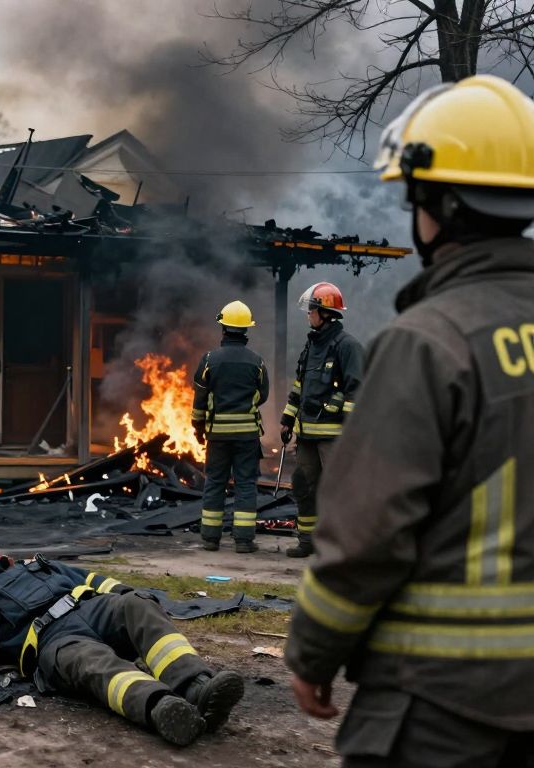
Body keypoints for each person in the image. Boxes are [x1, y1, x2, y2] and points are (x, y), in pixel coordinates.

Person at [285, 74, 534, 766]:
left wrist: (313, 651)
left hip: (444, 703)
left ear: (440, 205)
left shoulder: (430, 341)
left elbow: (368, 532)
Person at [0, 529, 245, 747]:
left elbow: (90, 579)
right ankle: (161, 708)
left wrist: (125, 592)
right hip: (54, 639)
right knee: (92, 664)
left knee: (137, 605)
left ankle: (195, 688)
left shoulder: (40, 565)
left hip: (92, 608)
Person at [279, 282, 364, 558]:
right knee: (304, 486)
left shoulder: (347, 346)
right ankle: (308, 542)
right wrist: (287, 420)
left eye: (312, 309)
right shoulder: (311, 345)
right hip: (306, 435)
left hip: (333, 436)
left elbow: (357, 388)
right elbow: (300, 386)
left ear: (325, 312)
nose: (308, 314)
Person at [192, 300, 269, 554]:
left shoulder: (209, 360)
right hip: (247, 436)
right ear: (246, 330)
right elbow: (264, 395)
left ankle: (211, 539)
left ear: (223, 328)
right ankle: (244, 541)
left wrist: (198, 427)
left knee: (215, 482)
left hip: (218, 436)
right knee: (246, 484)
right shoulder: (256, 362)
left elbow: (200, 399)